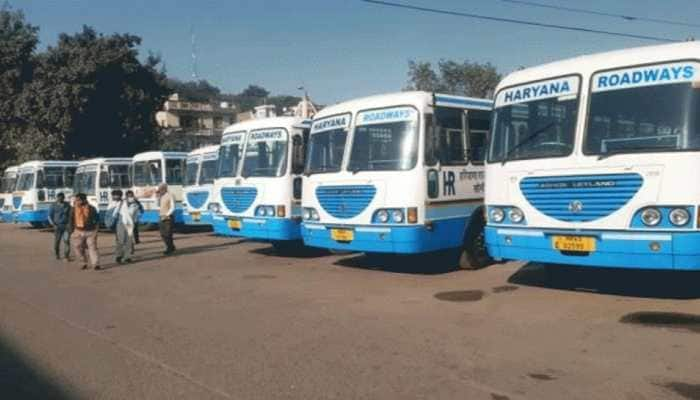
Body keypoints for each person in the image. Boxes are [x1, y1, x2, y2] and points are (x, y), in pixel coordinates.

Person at [67, 193, 101, 270]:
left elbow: (97, 220)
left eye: (78, 200)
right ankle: (83, 263)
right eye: (76, 200)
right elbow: (70, 221)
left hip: (91, 231)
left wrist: (96, 230)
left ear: (84, 200)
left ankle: (96, 264)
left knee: (92, 248)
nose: (77, 201)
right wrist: (71, 232)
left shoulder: (92, 208)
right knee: (78, 248)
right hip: (78, 231)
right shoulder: (73, 209)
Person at [48, 192, 71, 260]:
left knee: (66, 241)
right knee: (57, 242)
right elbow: (49, 216)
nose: (60, 199)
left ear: (64, 198)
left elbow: (70, 215)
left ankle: (66, 256)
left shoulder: (67, 205)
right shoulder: (53, 205)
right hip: (57, 227)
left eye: (62, 198)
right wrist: (53, 224)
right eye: (59, 198)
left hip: (66, 226)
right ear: (57, 198)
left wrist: (70, 224)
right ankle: (57, 254)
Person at [157, 183, 176, 255]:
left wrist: (167, 214)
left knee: (168, 234)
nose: (159, 191)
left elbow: (173, 207)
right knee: (162, 234)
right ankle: (171, 246)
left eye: (160, 189)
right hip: (161, 217)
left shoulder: (170, 195)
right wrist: (157, 198)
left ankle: (169, 248)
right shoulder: (160, 197)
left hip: (168, 218)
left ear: (164, 189)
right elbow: (158, 206)